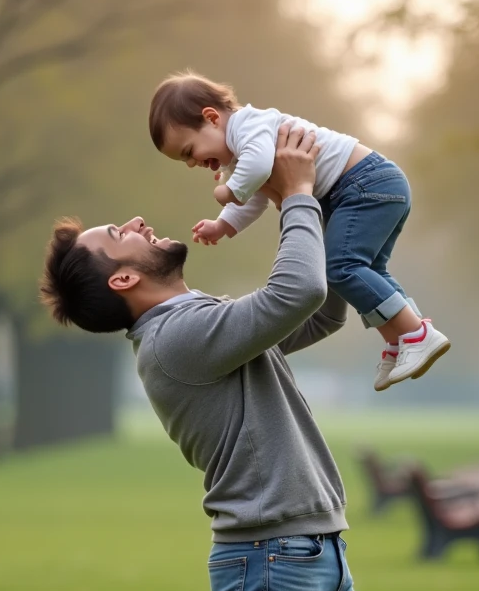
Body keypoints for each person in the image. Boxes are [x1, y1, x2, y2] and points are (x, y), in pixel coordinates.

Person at [39, 125, 386, 591]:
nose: (137, 222)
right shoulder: (177, 339)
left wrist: (333, 209)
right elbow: (297, 292)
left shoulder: (196, 321)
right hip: (272, 556)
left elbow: (319, 312)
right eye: (119, 233)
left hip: (314, 549)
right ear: (122, 279)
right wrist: (298, 195)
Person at [147, 70, 449, 393]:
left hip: (364, 185)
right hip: (363, 190)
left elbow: (257, 168)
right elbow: (256, 197)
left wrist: (228, 191)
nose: (192, 163)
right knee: (366, 272)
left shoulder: (249, 126)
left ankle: (417, 335)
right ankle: (401, 339)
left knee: (341, 268)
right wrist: (223, 224)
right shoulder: (239, 153)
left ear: (211, 118)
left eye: (188, 151)